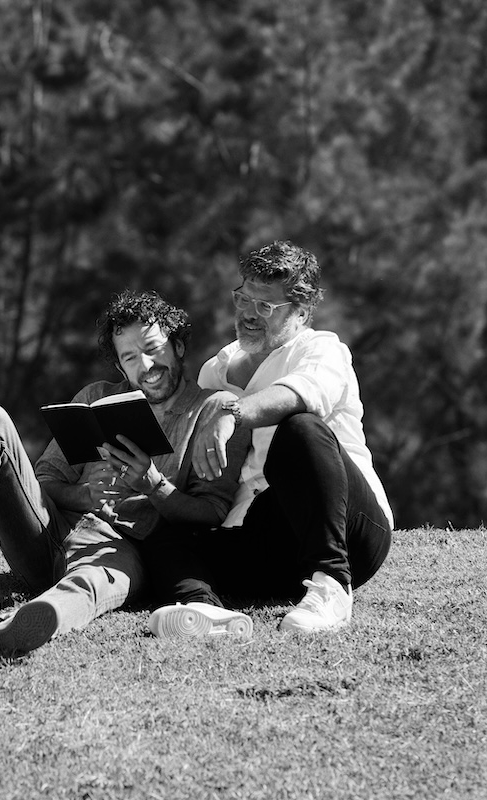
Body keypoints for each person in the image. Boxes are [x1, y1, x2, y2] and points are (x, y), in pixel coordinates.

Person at [0, 290, 249, 655]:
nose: (146, 366)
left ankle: (35, 619)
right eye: (131, 357)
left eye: (153, 349)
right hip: (49, 530)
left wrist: (153, 485)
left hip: (122, 546)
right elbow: (44, 483)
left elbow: (213, 512)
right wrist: (84, 495)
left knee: (90, 583)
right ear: (120, 367)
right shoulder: (95, 397)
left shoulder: (211, 411)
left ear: (178, 347)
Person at [144, 240, 394, 637]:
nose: (247, 314)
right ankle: (205, 611)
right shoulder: (216, 370)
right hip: (260, 535)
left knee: (299, 428)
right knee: (166, 532)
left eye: (266, 306)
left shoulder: (322, 349)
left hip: (349, 531)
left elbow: (296, 395)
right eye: (243, 298)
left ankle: (330, 588)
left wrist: (232, 414)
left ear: (300, 312)